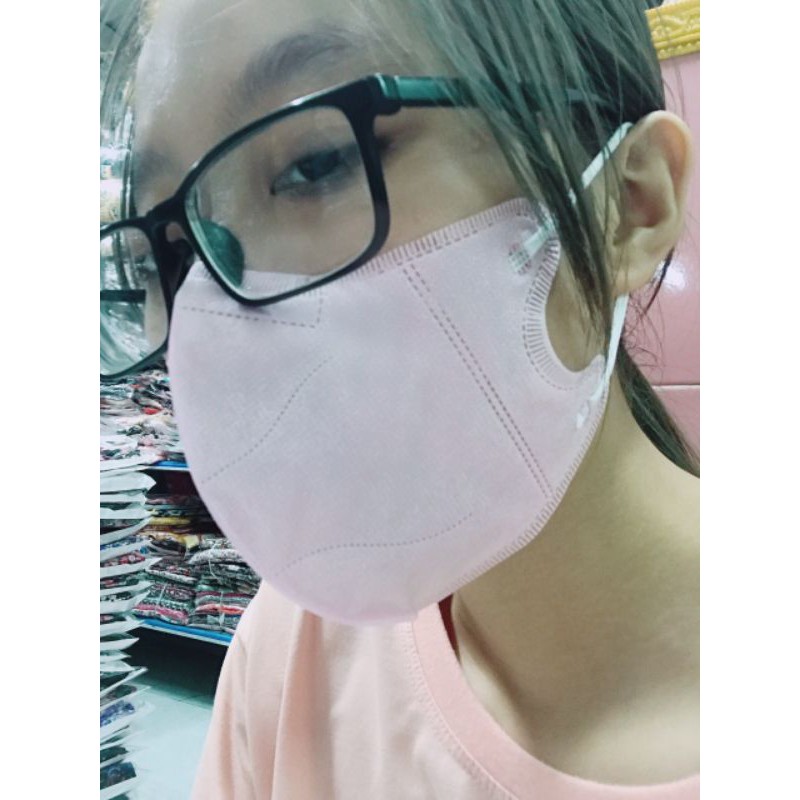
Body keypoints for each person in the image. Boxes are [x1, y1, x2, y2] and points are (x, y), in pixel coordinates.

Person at [99, 0, 700, 796]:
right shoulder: (292, 650)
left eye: (314, 164)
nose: (212, 317)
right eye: (173, 250)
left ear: (629, 205)